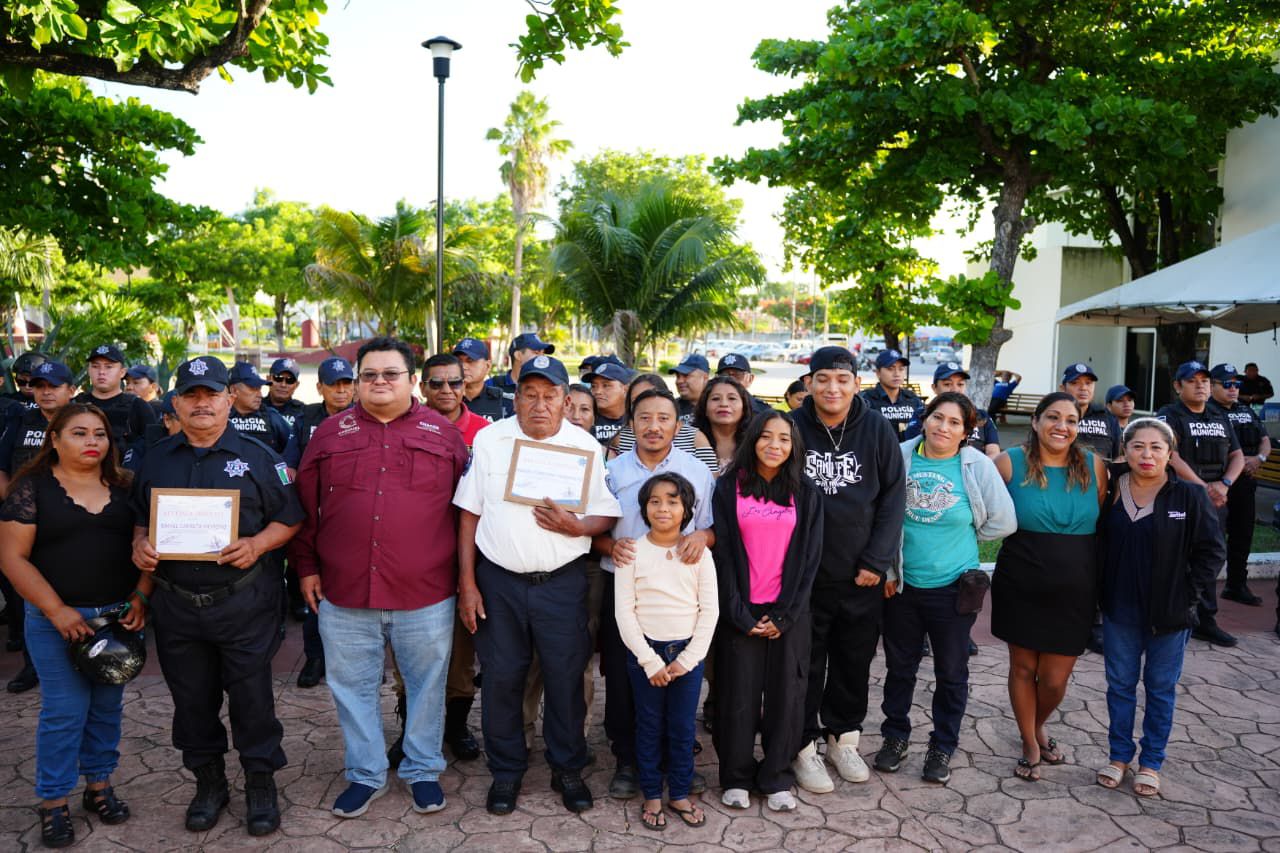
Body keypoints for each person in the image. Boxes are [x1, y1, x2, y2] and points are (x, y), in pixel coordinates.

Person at [293, 338, 468, 819]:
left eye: (391, 374)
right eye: (369, 374)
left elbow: (466, 514)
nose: (379, 382)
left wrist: (465, 579)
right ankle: (365, 772)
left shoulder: (443, 435)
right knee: (353, 688)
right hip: (345, 589)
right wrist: (306, 567)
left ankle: (422, 769)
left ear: (412, 381)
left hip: (426, 592)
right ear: (357, 381)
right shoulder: (329, 434)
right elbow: (305, 508)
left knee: (427, 687)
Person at [130, 356, 304, 837]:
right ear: (175, 403)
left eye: (211, 394)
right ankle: (209, 784)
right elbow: (140, 517)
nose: (201, 403)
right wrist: (139, 544)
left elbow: (290, 519)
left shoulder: (260, 457)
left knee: (252, 700)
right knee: (191, 701)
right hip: (177, 605)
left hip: (242, 603)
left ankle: (260, 782)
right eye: (191, 395)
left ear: (228, 399)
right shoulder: (156, 458)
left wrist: (257, 544)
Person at [453, 354, 621, 816]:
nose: (539, 405)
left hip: (561, 583)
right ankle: (507, 771)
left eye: (549, 396)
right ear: (516, 398)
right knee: (503, 678)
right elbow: (468, 513)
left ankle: (567, 768)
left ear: (566, 401)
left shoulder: (583, 446)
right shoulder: (490, 440)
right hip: (499, 582)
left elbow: (607, 512)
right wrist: (467, 583)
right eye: (530, 395)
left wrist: (578, 527)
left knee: (566, 679)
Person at [0, 403, 150, 849]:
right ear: (55, 439)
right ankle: (53, 801)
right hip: (56, 621)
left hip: (117, 619)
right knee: (65, 712)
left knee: (106, 707)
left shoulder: (126, 486)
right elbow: (11, 558)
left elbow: (148, 546)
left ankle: (99, 785)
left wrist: (142, 596)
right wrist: (56, 610)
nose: (91, 442)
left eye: (99, 434)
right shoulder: (31, 488)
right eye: (79, 433)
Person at [876, 393, 1016, 785]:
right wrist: (887, 569)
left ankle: (942, 745)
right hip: (902, 585)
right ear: (925, 419)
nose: (943, 427)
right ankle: (895, 737)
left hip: (954, 589)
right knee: (900, 669)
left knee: (951, 673)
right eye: (938, 417)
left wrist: (965, 536)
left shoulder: (976, 465)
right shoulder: (901, 455)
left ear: (966, 431)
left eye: (955, 422)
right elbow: (880, 516)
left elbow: (1004, 521)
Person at [790, 346, 905, 793]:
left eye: (842, 379)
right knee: (804, 664)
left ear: (857, 383)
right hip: (804, 575)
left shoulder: (876, 428)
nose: (832, 388)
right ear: (809, 383)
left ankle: (843, 739)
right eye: (823, 379)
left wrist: (877, 560)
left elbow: (893, 497)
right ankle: (803, 746)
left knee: (853, 661)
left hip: (861, 574)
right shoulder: (792, 427)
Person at [595, 388, 716, 801]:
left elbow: (710, 528)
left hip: (679, 595)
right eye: (644, 418)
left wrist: (701, 536)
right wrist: (610, 546)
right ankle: (628, 760)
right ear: (631, 424)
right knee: (624, 679)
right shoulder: (610, 471)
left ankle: (675, 760)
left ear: (678, 426)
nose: (654, 426)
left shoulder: (696, 471)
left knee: (678, 679)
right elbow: (593, 531)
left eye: (664, 418)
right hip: (625, 590)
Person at [1095, 418, 1223, 798]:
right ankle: (1119, 756)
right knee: (1120, 686)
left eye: (1156, 447)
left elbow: (1211, 552)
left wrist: (1188, 597)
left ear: (1170, 454)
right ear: (1125, 451)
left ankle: (1151, 762)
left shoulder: (1189, 496)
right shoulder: (1110, 489)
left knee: (1160, 688)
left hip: (1170, 614)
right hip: (1119, 609)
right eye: (1138, 446)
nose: (1146, 454)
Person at [991, 392, 1107, 781]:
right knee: (1023, 668)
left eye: (1071, 420)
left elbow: (1101, 520)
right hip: (1021, 580)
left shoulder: (1094, 466)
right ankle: (1030, 741)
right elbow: (979, 509)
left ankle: (1037, 724)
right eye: (1053, 417)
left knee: (1055, 680)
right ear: (1036, 422)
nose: (1062, 426)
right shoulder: (1009, 462)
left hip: (1076, 585)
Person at [711, 411, 822, 812]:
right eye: (766, 437)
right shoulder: (729, 487)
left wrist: (784, 616)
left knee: (786, 697)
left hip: (787, 613)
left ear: (794, 447)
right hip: (740, 611)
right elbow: (723, 554)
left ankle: (776, 776)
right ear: (752, 440)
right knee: (737, 696)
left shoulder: (805, 492)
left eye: (784, 439)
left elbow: (809, 559)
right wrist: (738, 614)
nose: (774, 445)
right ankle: (736, 777)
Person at [616, 472, 719, 830]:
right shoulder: (631, 552)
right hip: (645, 655)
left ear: (687, 509)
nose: (663, 508)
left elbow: (710, 611)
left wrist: (687, 660)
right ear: (644, 508)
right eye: (655, 501)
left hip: (687, 656)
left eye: (673, 501)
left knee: (682, 728)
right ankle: (651, 794)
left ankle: (679, 793)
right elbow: (624, 612)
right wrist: (649, 661)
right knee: (648, 726)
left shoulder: (699, 554)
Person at [418, 352, 486, 760]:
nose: (446, 390)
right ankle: (411, 729)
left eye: (454, 382)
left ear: (467, 385)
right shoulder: (406, 426)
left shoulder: (486, 434)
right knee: (415, 651)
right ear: (422, 386)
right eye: (437, 383)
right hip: (417, 555)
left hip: (469, 556)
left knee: (462, 650)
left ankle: (457, 727)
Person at [0, 359, 77, 693]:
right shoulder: (19, 419)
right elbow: (1, 467)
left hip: (71, 522)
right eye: (39, 386)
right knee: (24, 595)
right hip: (25, 524)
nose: (46, 393)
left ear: (70, 390)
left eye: (53, 386)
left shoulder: (84, 421)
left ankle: (81, 656)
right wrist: (18, 508)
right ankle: (32, 665)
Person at [1157, 361, 1243, 647]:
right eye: (1192, 381)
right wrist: (1203, 488)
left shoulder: (1219, 416)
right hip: (1181, 495)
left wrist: (1225, 484)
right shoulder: (1169, 415)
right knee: (1175, 556)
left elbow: (1237, 455)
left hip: (1216, 497)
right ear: (1178, 386)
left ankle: (1205, 619)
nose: (1200, 385)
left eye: (1204, 380)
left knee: (1210, 555)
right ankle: (1170, 614)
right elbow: (1171, 455)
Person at [282, 356, 356, 690]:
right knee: (316, 590)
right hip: (315, 517)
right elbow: (286, 464)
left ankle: (356, 659)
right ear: (320, 388)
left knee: (355, 594)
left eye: (346, 384)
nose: (341, 391)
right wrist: (292, 478)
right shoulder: (305, 419)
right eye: (334, 385)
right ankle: (315, 658)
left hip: (353, 518)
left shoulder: (366, 416)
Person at [1209, 363, 1270, 607]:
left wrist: (1259, 458)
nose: (1233, 388)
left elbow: (1265, 440)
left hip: (1245, 482)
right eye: (1227, 384)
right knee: (1212, 539)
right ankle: (1203, 596)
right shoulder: (1207, 411)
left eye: (1237, 384)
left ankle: (1236, 585)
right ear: (1212, 385)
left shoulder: (1246, 410)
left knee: (1242, 535)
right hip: (1218, 483)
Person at [608, 373, 718, 472]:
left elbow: (710, 479)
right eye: (636, 400)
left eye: (651, 396)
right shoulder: (620, 439)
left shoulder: (695, 438)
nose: (645, 403)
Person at [903, 363, 1000, 458]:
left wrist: (979, 467)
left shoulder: (981, 416)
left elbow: (993, 452)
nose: (955, 389)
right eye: (947, 384)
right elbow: (912, 449)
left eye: (960, 384)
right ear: (934, 388)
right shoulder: (923, 414)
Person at [75, 345, 157, 449]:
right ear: (88, 370)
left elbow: (152, 449)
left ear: (122, 372)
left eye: (108, 367)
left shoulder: (139, 407)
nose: (101, 372)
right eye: (95, 366)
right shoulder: (75, 405)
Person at [226, 362, 293, 456]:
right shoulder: (220, 417)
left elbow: (294, 448)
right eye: (253, 388)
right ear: (233, 390)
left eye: (259, 389)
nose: (260, 395)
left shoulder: (272, 417)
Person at [1059, 362, 1122, 460]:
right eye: (1075, 383)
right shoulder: (1054, 417)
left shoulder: (1108, 418)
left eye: (1088, 383)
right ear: (1063, 388)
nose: (1083, 388)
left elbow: (1116, 457)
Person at [861, 349, 925, 441]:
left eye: (901, 369)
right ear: (878, 373)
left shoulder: (913, 399)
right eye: (890, 369)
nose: (897, 374)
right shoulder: (865, 400)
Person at [693, 375, 752, 473]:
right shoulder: (690, 441)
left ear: (744, 408)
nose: (724, 404)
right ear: (705, 408)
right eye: (716, 399)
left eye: (732, 398)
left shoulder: (755, 442)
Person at [489, 332, 555, 409]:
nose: (542, 358)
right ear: (518, 355)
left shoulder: (552, 387)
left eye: (543, 354)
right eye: (536, 353)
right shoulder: (492, 385)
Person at [452, 338, 507, 422]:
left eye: (470, 360)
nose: (463, 366)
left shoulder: (504, 401)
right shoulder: (445, 400)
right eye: (458, 361)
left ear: (487, 366)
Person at [586, 360, 635, 446]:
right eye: (593, 386)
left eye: (606, 385)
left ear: (625, 389)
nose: (598, 391)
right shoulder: (585, 417)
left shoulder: (636, 418)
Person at [263, 357, 307, 432]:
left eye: (290, 380)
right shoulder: (255, 408)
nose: (283, 385)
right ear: (268, 379)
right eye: (278, 378)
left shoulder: (304, 412)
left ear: (296, 385)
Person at [669, 354, 710, 424]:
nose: (679, 381)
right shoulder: (671, 407)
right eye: (678, 376)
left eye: (686, 375)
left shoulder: (717, 406)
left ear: (705, 378)